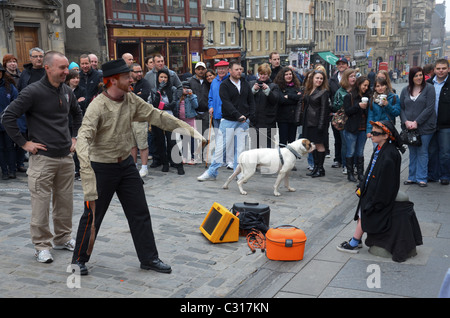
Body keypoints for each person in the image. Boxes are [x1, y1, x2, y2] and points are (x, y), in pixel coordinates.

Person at [71, 59, 205, 275]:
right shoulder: (97, 106)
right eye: (126, 77)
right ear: (113, 81)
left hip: (126, 166)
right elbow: (84, 138)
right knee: (92, 216)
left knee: (140, 212)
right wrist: (86, 171)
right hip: (101, 168)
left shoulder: (130, 99)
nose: (131, 79)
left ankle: (149, 258)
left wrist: (188, 130)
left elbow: (156, 115)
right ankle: (78, 260)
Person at [2, 51, 83, 263]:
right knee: (40, 205)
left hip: (65, 158)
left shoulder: (67, 91)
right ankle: (41, 246)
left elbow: (77, 114)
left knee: (65, 203)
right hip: (42, 160)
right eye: (62, 68)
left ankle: (63, 237)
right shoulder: (33, 92)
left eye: (67, 67)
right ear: (47, 68)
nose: (67, 71)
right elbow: (8, 117)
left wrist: (74, 138)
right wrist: (24, 143)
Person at [337, 120, 406, 255]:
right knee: (362, 214)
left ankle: (354, 242)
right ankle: (356, 240)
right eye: (371, 132)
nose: (370, 135)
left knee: (364, 214)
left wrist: (376, 200)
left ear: (386, 136)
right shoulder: (380, 149)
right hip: (370, 190)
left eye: (375, 133)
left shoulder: (389, 155)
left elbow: (386, 183)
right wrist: (362, 186)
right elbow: (370, 170)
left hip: (377, 195)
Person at [197, 60, 255, 181]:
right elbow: (226, 102)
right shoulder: (225, 85)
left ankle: (237, 172)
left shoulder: (244, 83)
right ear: (230, 71)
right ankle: (212, 171)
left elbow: (251, 100)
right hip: (228, 119)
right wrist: (237, 114)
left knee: (240, 148)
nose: (239, 72)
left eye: (241, 69)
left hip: (243, 121)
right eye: (236, 69)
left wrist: (249, 116)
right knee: (220, 147)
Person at [144, 54, 183, 168]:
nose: (160, 63)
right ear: (154, 62)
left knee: (172, 138)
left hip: (169, 110)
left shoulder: (171, 73)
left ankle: (173, 160)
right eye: (158, 61)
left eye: (162, 61)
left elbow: (179, 87)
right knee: (157, 138)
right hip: (155, 111)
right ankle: (158, 159)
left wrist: (175, 100)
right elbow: (148, 90)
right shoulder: (149, 75)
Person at [400, 66, 436, 187]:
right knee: (413, 152)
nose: (419, 77)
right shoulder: (405, 90)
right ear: (411, 77)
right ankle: (412, 177)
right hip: (409, 128)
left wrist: (417, 122)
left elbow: (430, 108)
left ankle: (421, 177)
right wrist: (406, 122)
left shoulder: (429, 89)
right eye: (416, 75)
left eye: (420, 75)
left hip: (425, 127)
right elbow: (401, 108)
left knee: (422, 151)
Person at [149, 68, 184, 174]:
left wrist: (162, 106)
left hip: (169, 116)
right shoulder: (154, 90)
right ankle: (165, 163)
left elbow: (173, 103)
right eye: (161, 77)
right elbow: (154, 104)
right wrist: (159, 90)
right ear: (158, 78)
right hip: (158, 117)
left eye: (165, 77)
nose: (163, 79)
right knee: (160, 141)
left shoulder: (172, 89)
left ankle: (179, 164)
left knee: (173, 141)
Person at [302, 69, 330, 178]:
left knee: (319, 145)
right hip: (309, 122)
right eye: (317, 78)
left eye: (321, 78)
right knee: (312, 145)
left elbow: (324, 110)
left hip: (318, 122)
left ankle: (320, 168)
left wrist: (321, 125)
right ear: (312, 78)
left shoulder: (323, 92)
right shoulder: (309, 90)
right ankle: (315, 167)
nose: (319, 80)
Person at [343, 76, 371, 182]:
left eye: (367, 86)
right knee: (351, 151)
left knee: (360, 151)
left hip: (363, 128)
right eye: (364, 85)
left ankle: (360, 173)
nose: (366, 87)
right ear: (359, 85)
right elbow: (347, 111)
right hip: (351, 128)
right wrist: (358, 106)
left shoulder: (368, 96)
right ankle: (350, 173)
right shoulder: (349, 96)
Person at [427, 59, 450, 185]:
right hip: (431, 123)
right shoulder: (429, 83)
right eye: (439, 68)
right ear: (434, 70)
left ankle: (445, 175)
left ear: (448, 69)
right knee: (432, 151)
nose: (441, 71)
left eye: (444, 68)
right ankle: (433, 175)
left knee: (445, 152)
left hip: (445, 124)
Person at [249, 63, 279, 149]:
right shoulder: (251, 84)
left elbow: (275, 101)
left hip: (268, 122)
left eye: (265, 74)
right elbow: (246, 99)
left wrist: (268, 92)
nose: (262, 76)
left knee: (268, 150)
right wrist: (253, 91)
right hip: (254, 121)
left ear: (268, 75)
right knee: (255, 149)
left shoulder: (274, 86)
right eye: (261, 74)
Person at [332, 68, 357, 175]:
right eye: (351, 76)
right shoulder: (340, 91)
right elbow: (335, 106)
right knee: (345, 144)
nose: (353, 78)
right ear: (346, 78)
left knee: (355, 144)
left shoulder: (357, 90)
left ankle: (354, 164)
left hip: (355, 120)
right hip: (344, 121)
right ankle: (346, 165)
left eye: (354, 76)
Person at [129, 63, 151, 177]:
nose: (139, 74)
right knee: (132, 144)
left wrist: (133, 95)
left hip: (140, 118)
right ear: (130, 72)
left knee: (142, 143)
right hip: (129, 118)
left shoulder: (145, 83)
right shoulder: (127, 82)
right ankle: (134, 166)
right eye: (136, 72)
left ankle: (144, 167)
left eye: (140, 71)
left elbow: (143, 98)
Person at [65, 69, 87, 181]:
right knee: (68, 145)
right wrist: (76, 102)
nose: (76, 80)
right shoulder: (64, 90)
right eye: (74, 78)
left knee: (78, 146)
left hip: (77, 122)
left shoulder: (82, 90)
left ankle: (78, 169)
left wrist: (77, 103)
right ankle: (69, 168)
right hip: (66, 122)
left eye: (78, 78)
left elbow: (83, 105)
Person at [329, 57, 349, 169]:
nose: (341, 65)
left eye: (343, 63)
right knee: (337, 137)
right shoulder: (332, 79)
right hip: (336, 112)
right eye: (339, 64)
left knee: (347, 138)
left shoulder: (351, 77)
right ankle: (338, 159)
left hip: (348, 112)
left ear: (347, 65)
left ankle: (347, 161)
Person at [367, 77, 401, 143]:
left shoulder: (393, 97)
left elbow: (397, 112)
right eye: (378, 86)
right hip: (376, 129)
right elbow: (370, 116)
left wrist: (387, 105)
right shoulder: (372, 99)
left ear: (386, 86)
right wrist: (368, 130)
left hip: (388, 129)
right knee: (377, 150)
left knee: (388, 150)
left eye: (382, 85)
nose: (380, 88)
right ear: (375, 88)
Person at [274, 67, 302, 147]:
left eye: (290, 74)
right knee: (283, 141)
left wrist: (289, 96)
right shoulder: (278, 87)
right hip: (283, 118)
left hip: (293, 118)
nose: (289, 76)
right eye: (286, 74)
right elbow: (281, 100)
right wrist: (294, 98)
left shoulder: (296, 86)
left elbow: (300, 98)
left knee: (292, 141)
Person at [0, 65, 18, 180]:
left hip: (8, 123)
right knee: (0, 148)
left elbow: (16, 103)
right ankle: (4, 171)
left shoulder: (9, 87)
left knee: (10, 147)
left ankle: (12, 170)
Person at [175, 81, 199, 164]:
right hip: (181, 120)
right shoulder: (179, 97)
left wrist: (191, 95)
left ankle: (193, 157)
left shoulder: (192, 96)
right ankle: (184, 157)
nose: (185, 90)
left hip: (190, 120)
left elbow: (196, 106)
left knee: (192, 139)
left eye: (187, 88)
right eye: (183, 88)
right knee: (183, 139)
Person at [188, 62, 210, 141]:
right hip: (195, 112)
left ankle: (204, 152)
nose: (200, 71)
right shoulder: (190, 81)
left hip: (205, 112)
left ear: (205, 70)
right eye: (198, 69)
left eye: (202, 69)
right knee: (195, 136)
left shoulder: (208, 81)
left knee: (205, 135)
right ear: (195, 70)